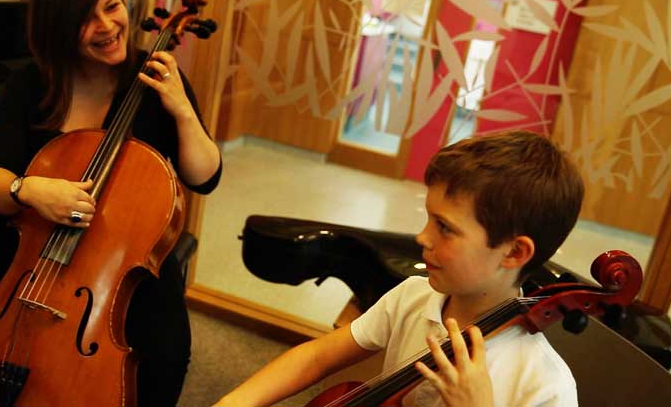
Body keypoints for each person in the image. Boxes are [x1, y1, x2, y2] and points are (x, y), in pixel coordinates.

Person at [0, 0, 220, 406]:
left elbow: (205, 176)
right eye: (85, 19)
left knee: (167, 353)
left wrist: (183, 109)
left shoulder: (158, 80)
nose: (106, 25)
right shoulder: (32, 82)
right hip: (26, 247)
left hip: (123, 255)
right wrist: (28, 189)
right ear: (57, 27)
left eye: (112, 7)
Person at [216, 130, 583, 407]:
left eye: (445, 228)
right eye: (428, 219)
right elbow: (314, 358)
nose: (422, 237)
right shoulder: (413, 297)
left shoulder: (545, 386)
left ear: (515, 252)